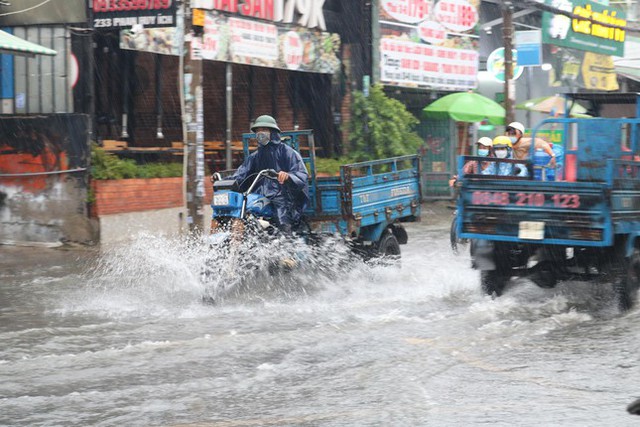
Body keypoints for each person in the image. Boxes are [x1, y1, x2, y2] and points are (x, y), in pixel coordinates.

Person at [222, 115, 309, 233]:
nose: (260, 133)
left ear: (272, 132)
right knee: (240, 211)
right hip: (259, 194)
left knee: (282, 217)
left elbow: (301, 173)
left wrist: (288, 176)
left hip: (281, 194)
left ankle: (288, 244)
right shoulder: (255, 156)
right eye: (257, 130)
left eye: (264, 129)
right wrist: (222, 180)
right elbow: (241, 174)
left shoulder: (287, 152)